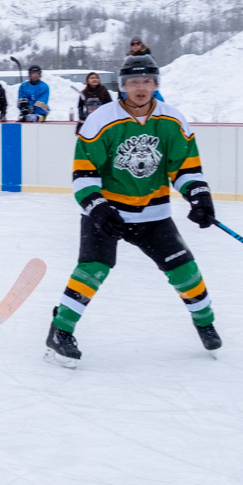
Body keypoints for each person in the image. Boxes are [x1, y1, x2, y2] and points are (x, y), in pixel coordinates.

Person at [45, 54, 218, 367]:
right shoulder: (101, 120)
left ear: (156, 84)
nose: (141, 87)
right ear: (123, 86)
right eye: (134, 81)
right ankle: (60, 331)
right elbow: (84, 174)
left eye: (147, 81)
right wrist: (97, 207)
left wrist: (198, 194)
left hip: (153, 215)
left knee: (185, 271)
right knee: (92, 270)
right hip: (107, 212)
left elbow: (184, 167)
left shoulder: (172, 120)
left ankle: (205, 323)